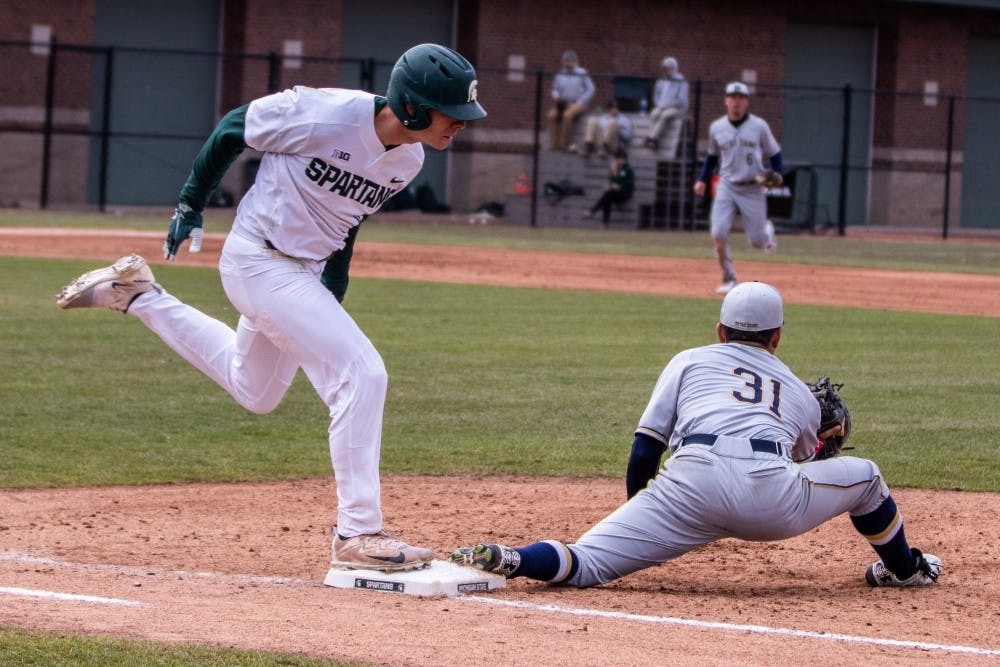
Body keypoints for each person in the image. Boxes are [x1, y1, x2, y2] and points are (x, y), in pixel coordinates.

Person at [55, 43, 487, 573]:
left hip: (300, 272)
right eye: (454, 113)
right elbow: (236, 125)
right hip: (257, 260)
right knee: (362, 373)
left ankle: (139, 295)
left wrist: (332, 286)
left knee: (253, 389)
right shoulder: (326, 112)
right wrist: (191, 202)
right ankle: (358, 532)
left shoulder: (409, 159)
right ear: (415, 107)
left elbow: (346, 220)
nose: (462, 124)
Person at [451, 282, 942, 590]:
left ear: (720, 331)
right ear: (777, 338)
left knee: (586, 562)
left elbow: (646, 447)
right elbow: (806, 460)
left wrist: (641, 510)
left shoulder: (690, 359)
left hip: (688, 487)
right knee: (868, 479)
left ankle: (513, 558)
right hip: (771, 502)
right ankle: (903, 570)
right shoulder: (797, 391)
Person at [693, 82, 781, 295]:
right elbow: (712, 156)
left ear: (746, 101)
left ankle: (767, 234)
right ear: (726, 100)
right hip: (727, 185)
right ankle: (728, 277)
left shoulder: (759, 126)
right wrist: (702, 179)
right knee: (718, 231)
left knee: (757, 241)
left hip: (753, 188)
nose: (736, 101)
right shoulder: (717, 127)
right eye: (732, 97)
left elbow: (775, 152)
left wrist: (777, 173)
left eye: (741, 97)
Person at [548, 49, 595, 152]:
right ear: (564, 62)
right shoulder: (560, 74)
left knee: (567, 115)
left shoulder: (582, 72)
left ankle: (564, 144)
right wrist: (555, 96)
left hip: (577, 104)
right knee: (551, 115)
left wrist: (581, 101)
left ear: (575, 61)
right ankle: (554, 145)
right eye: (567, 61)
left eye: (571, 60)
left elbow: (591, 88)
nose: (569, 63)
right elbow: (554, 88)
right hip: (563, 103)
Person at [643, 57, 689, 158]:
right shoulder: (661, 81)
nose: (667, 71)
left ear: (674, 68)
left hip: (677, 108)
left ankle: (652, 138)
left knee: (665, 115)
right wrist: (659, 105)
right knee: (654, 114)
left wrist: (666, 105)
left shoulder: (681, 81)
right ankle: (652, 138)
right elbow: (656, 96)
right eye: (666, 68)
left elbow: (681, 100)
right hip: (662, 106)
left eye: (669, 68)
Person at [585, 149, 635, 227]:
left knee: (608, 194)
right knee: (607, 196)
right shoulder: (617, 169)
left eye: (618, 159)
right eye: (616, 159)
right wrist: (613, 175)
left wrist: (619, 186)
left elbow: (630, 183)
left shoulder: (628, 169)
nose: (617, 161)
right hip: (615, 193)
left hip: (625, 193)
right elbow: (613, 182)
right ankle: (604, 222)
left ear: (623, 159)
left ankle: (593, 211)